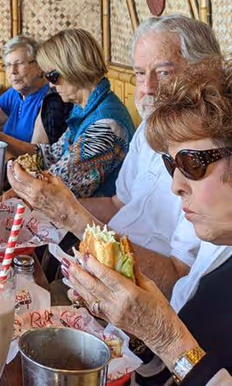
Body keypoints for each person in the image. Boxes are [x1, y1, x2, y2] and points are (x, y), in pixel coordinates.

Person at [7, 15, 221, 295]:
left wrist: (71, 216)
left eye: (164, 72)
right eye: (141, 74)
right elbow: (118, 204)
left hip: (135, 299)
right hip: (93, 273)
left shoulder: (213, 165)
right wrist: (48, 208)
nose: (147, 89)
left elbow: (179, 282)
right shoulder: (147, 130)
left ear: (203, 74)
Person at [64, 59, 232, 385]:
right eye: (172, 166)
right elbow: (166, 375)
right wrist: (135, 326)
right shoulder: (216, 264)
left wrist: (167, 337)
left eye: (191, 163)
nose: (176, 185)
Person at [0, 28, 134, 198]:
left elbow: (56, 187)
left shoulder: (105, 127)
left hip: (96, 221)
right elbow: (51, 154)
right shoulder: (85, 107)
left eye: (52, 76)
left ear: (73, 69)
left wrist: (13, 182)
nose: (50, 85)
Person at [0, 35, 72, 147]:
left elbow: (38, 156)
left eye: (19, 64)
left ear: (39, 66)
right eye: (8, 65)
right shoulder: (15, 94)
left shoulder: (51, 100)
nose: (12, 71)